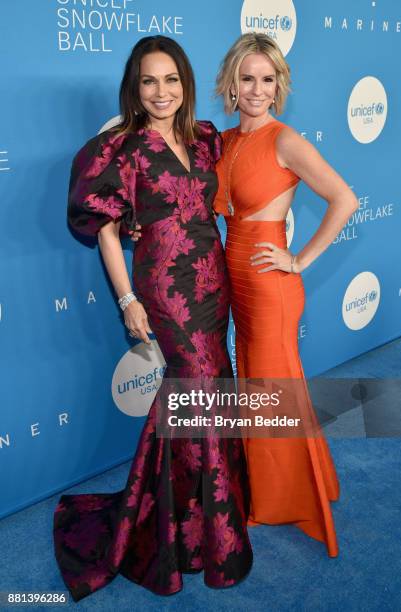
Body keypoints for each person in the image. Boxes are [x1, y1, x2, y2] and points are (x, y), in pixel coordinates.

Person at [53, 35, 253, 602]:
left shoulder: (204, 138)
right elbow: (109, 230)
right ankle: (208, 536)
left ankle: (186, 518)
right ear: (134, 87)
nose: (161, 91)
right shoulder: (121, 148)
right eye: (149, 80)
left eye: (171, 79)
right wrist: (127, 300)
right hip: (165, 285)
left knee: (205, 391)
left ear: (185, 84)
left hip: (213, 277)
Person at [213, 33, 359, 558]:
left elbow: (344, 198)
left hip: (271, 287)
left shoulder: (285, 140)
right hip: (237, 282)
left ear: (279, 86)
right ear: (232, 82)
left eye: (267, 79)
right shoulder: (225, 142)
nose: (257, 89)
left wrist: (297, 259)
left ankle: (284, 500)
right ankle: (296, 481)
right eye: (247, 78)